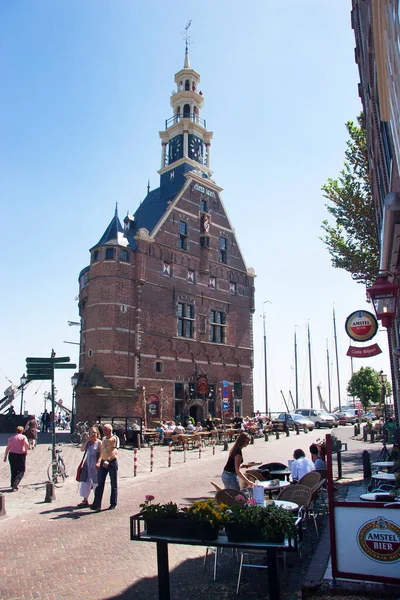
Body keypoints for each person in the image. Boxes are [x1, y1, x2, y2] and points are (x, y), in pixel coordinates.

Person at [90, 423, 118, 511]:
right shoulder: (104, 438)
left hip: (111, 462)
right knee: (100, 483)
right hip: (103, 462)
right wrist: (100, 461)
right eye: (103, 430)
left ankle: (113, 503)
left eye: (105, 430)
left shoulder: (115, 438)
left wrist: (108, 460)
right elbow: (102, 450)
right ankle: (97, 504)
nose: (103, 431)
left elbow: (115, 451)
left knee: (113, 483)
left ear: (110, 430)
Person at [78, 427, 102, 508]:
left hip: (95, 466)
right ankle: (85, 500)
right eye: (91, 432)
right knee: (85, 482)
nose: (92, 434)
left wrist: (99, 462)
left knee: (96, 483)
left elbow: (102, 454)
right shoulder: (88, 443)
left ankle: (96, 500)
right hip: (87, 465)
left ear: (97, 434)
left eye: (94, 432)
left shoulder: (99, 443)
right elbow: (82, 449)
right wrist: (87, 440)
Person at [3, 426, 29, 491]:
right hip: (20, 455)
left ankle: (12, 484)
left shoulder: (11, 438)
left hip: (12, 454)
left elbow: (8, 447)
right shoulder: (23, 437)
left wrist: (5, 456)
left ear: (16, 431)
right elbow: (27, 444)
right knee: (22, 470)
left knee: (13, 470)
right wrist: (26, 451)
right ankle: (16, 482)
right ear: (22, 431)